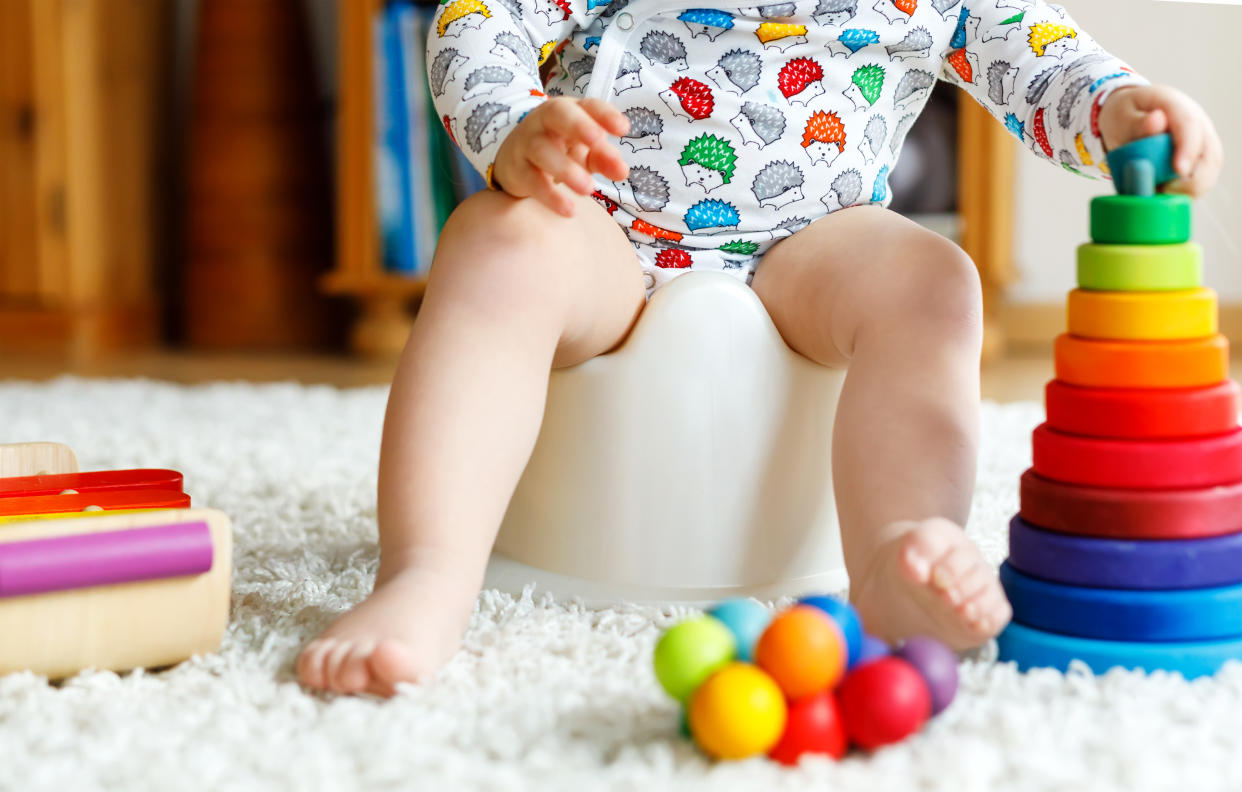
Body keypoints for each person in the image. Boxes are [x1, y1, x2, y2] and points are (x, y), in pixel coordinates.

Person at [298, 0, 1222, 696]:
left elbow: (1034, 55)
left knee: (934, 280)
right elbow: (481, 18)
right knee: (495, 244)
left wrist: (1120, 108)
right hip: (606, 228)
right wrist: (514, 129)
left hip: (814, 250)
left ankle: (896, 550)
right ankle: (426, 574)